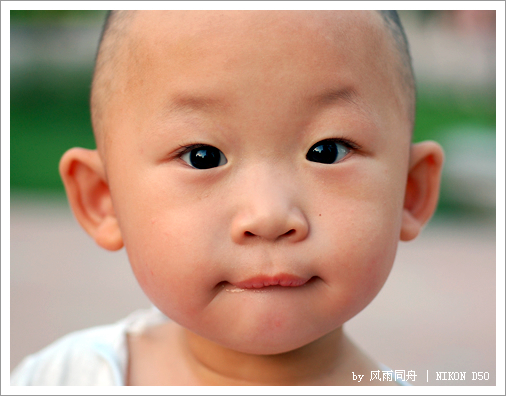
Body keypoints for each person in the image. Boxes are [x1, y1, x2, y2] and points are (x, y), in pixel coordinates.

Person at [11, 10, 444, 386]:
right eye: (203, 157)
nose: (269, 215)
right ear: (103, 198)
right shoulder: (61, 379)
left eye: (326, 151)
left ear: (410, 191)